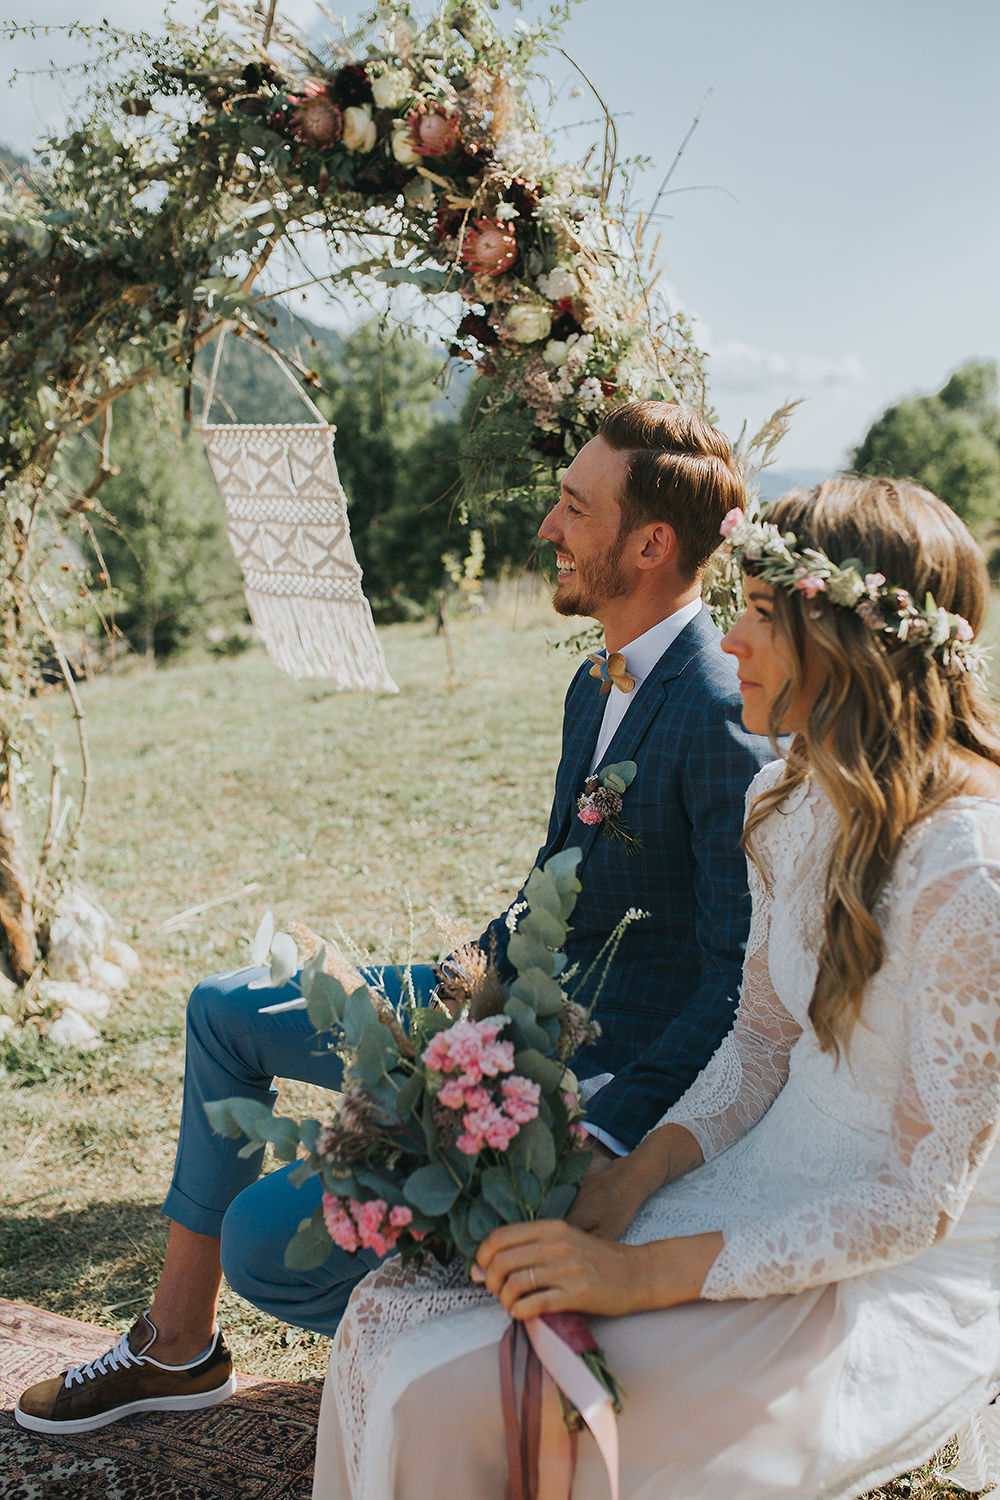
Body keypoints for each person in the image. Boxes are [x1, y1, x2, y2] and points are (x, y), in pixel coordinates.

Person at [15, 401, 772, 1436]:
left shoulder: (720, 712)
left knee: (265, 1239)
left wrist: (601, 1135)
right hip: (502, 993)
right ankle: (175, 1347)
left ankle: (460, 1381)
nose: (548, 527)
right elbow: (559, 876)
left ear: (648, 545)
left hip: (587, 1067)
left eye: (571, 507)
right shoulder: (590, 680)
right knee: (223, 1009)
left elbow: (736, 980)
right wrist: (463, 977)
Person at [310, 474, 1000, 1500]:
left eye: (761, 615)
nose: (730, 645)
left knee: (464, 1393)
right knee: (391, 1317)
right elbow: (759, 1046)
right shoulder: (785, 795)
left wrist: (639, 1275)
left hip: (876, 1261)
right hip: (751, 1169)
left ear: (851, 645)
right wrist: (627, 1183)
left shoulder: (967, 872)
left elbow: (914, 1202)